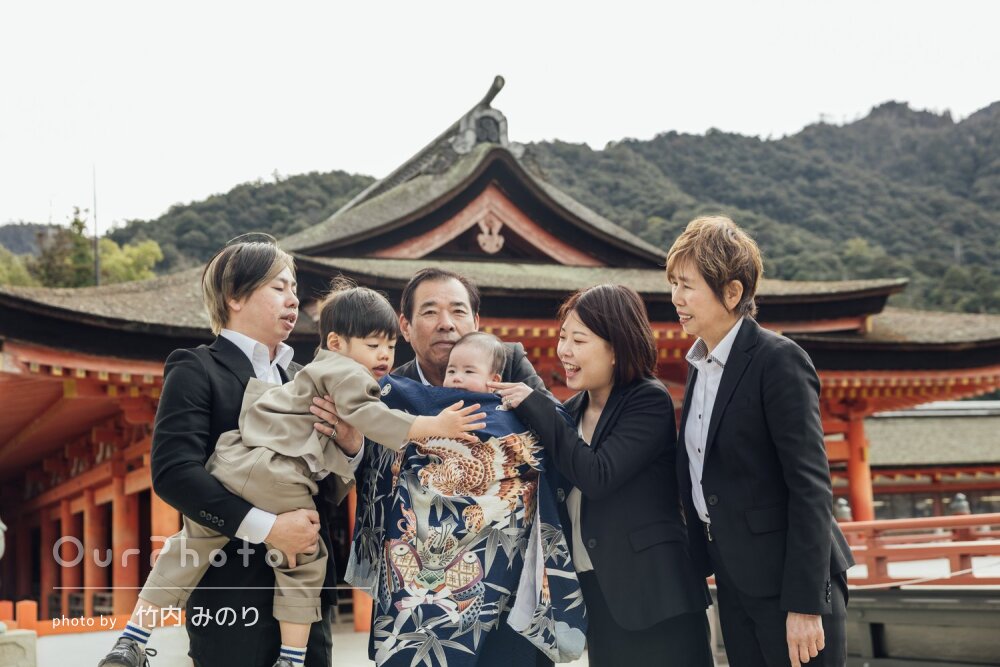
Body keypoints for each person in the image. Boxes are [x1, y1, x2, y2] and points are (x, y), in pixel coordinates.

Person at [98, 283, 485, 667]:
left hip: (233, 464)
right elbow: (373, 416)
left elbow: (334, 469)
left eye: (390, 345)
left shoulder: (307, 371)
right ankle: (292, 658)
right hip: (276, 490)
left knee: (187, 546)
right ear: (336, 342)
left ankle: (133, 639)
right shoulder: (344, 373)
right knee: (304, 562)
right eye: (373, 345)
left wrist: (351, 446)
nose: (384, 354)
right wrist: (433, 425)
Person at [101, 236, 346, 667]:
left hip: (304, 603)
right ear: (234, 295)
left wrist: (350, 444)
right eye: (279, 287)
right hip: (229, 594)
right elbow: (175, 474)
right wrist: (268, 528)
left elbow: (323, 484)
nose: (293, 299)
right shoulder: (196, 368)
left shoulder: (306, 379)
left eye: (294, 288)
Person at [490, 284, 714, 667]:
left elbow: (598, 475)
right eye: (563, 337)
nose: (564, 350)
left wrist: (537, 405)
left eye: (579, 340)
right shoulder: (571, 410)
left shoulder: (647, 399)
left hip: (655, 596)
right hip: (598, 592)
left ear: (615, 349)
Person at [667, 216, 853, 667]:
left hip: (791, 587)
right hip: (734, 580)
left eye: (687, 285)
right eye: (673, 284)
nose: (676, 298)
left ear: (732, 292)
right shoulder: (700, 367)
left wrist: (806, 604)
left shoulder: (779, 360)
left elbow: (810, 487)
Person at [346, 331, 586, 666]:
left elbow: (553, 444)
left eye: (468, 371)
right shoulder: (422, 402)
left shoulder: (517, 412)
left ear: (494, 379)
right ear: (406, 325)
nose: (456, 378)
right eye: (452, 371)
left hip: (494, 558)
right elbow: (382, 407)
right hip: (422, 544)